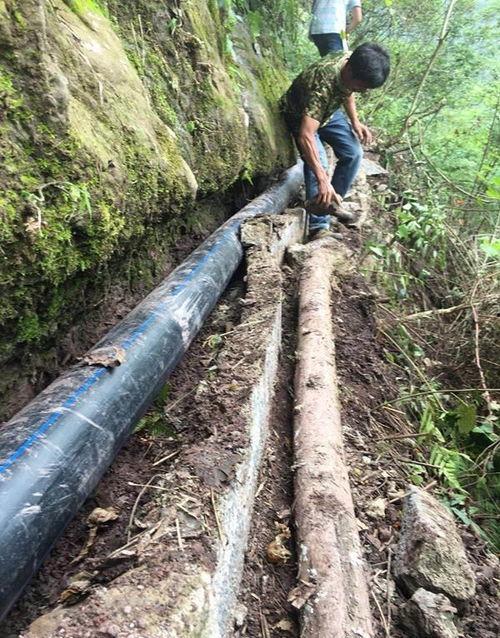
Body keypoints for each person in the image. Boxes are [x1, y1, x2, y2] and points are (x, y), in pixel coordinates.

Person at [281, 43, 390, 240]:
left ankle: (330, 203)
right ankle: (318, 226)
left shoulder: (353, 61)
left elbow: (348, 91)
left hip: (328, 114)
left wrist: (355, 121)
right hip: (301, 115)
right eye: (360, 87)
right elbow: (306, 135)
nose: (361, 91)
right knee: (320, 164)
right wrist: (322, 179)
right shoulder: (322, 83)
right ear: (349, 71)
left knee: (354, 153)